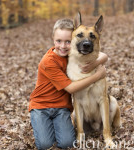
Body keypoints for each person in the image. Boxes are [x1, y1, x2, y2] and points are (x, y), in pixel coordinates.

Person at [29, 18, 108, 150]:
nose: (63, 46)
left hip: (61, 108)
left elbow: (103, 55)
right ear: (53, 39)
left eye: (68, 42)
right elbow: (71, 88)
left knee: (67, 144)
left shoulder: (72, 54)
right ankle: (44, 125)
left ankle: (55, 126)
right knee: (45, 145)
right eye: (59, 41)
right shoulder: (49, 61)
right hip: (41, 107)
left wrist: (95, 63)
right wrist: (97, 76)